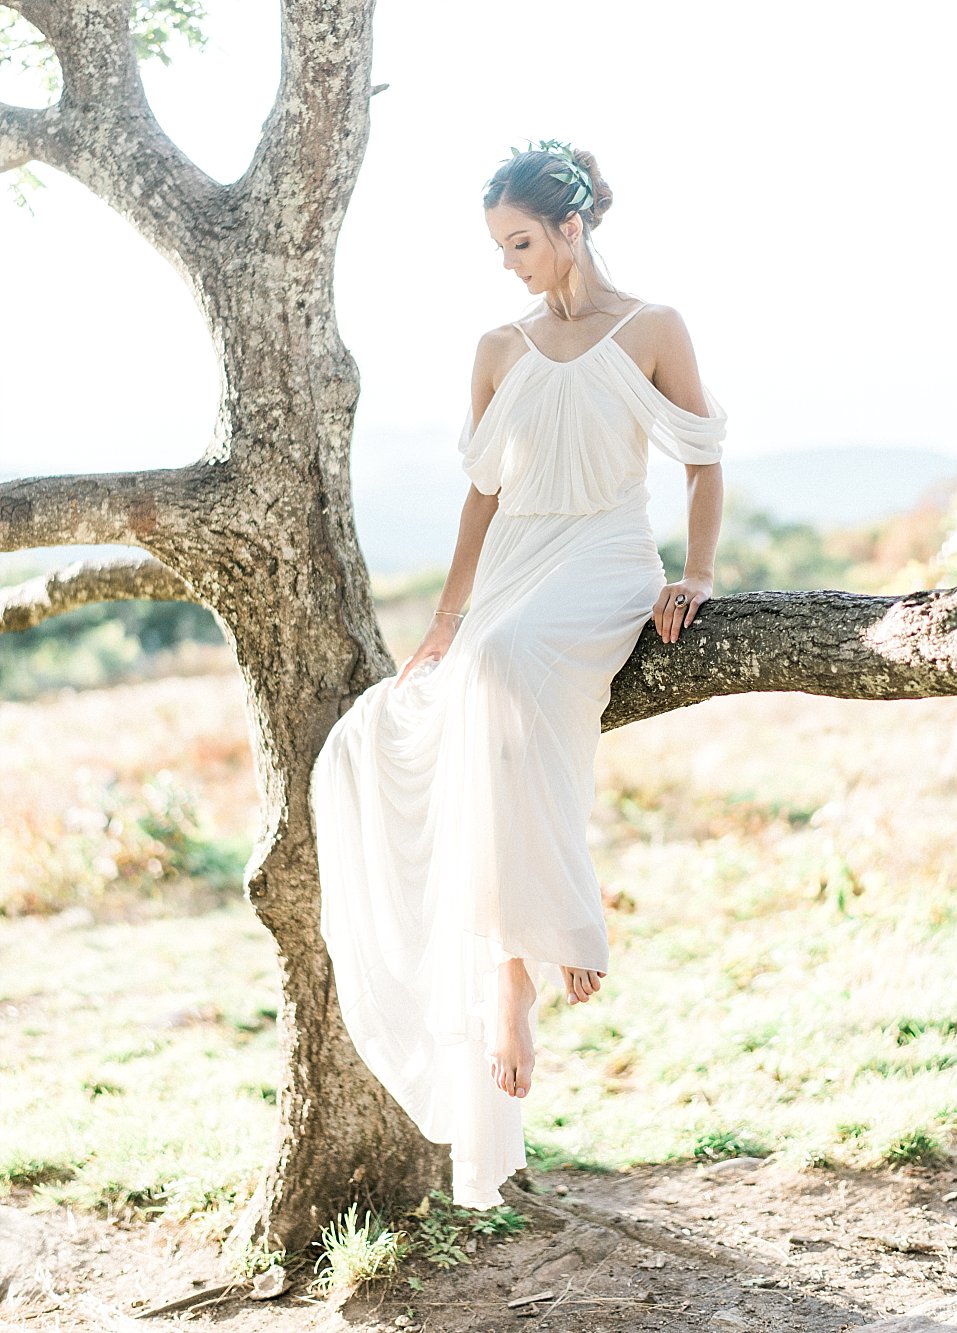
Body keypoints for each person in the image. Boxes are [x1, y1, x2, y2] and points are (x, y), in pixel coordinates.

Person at [308, 139, 726, 1210]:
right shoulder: (498, 346)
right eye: (499, 247)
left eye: (521, 243)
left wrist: (700, 577)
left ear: (573, 228)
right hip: (513, 569)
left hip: (602, 558)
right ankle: (512, 973)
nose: (509, 264)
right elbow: (483, 496)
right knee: (415, 718)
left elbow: (702, 460)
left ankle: (553, 929)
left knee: (503, 672)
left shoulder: (653, 330)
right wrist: (444, 621)